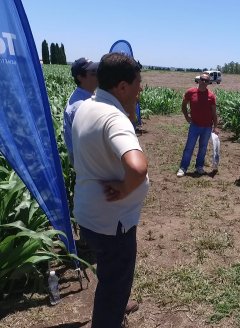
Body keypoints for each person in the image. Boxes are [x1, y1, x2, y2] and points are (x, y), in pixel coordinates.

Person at [72, 52, 149, 328]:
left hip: (90, 214)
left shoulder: (86, 106)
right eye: (138, 83)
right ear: (123, 87)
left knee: (110, 277)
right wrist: (127, 187)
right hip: (113, 222)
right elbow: (137, 167)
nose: (141, 89)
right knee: (114, 284)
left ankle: (115, 304)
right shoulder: (114, 118)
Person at [176, 73, 218, 177]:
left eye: (206, 81)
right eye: (202, 79)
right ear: (198, 80)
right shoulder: (190, 92)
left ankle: (199, 167)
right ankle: (183, 168)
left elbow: (214, 113)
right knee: (189, 147)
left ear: (209, 83)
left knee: (203, 147)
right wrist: (186, 116)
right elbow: (183, 105)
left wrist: (215, 127)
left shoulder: (211, 96)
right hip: (194, 125)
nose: (204, 82)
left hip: (207, 126)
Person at [63, 57, 99, 164]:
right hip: (88, 165)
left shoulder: (87, 96)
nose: (97, 75)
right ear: (80, 77)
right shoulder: (81, 106)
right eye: (93, 73)